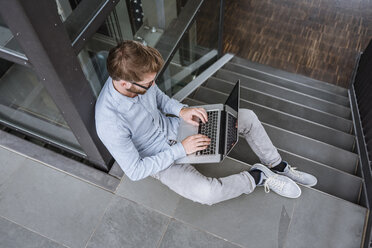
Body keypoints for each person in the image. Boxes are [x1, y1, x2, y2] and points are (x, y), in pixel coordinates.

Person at [95, 40, 317, 206]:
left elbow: (159, 98)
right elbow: (135, 170)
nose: (154, 84)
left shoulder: (138, 78)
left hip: (177, 128)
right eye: (149, 82)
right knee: (207, 194)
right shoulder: (109, 122)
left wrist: (181, 110)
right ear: (125, 84)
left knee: (246, 117)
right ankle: (258, 176)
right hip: (161, 161)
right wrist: (181, 149)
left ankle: (276, 165)